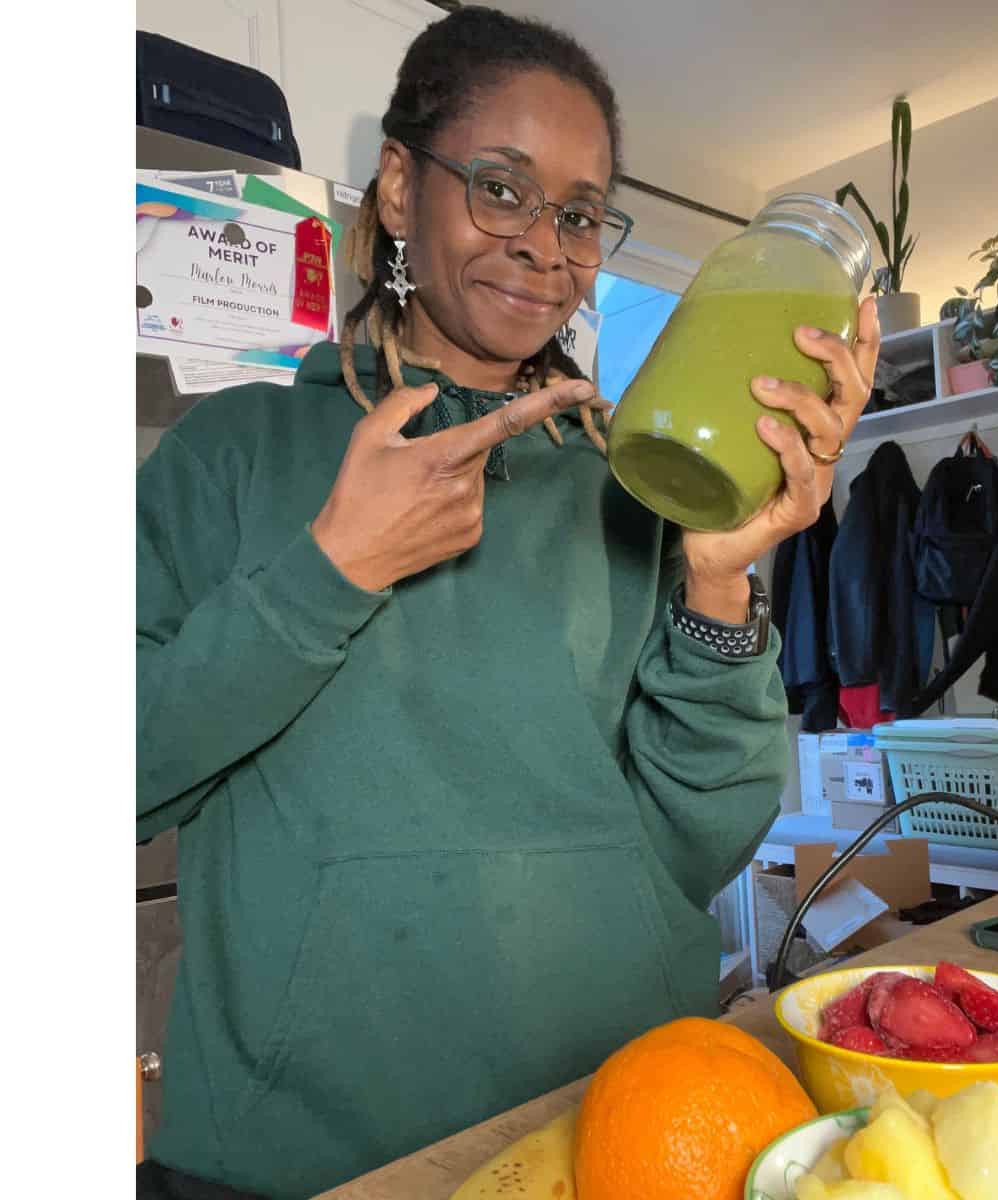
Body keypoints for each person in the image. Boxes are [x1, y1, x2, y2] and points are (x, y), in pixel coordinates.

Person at [136, 7, 880, 1198]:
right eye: (500, 189)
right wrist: (330, 573)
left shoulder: (629, 481)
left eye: (580, 213)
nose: (545, 245)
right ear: (398, 187)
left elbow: (698, 841)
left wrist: (718, 574)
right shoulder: (233, 455)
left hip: (623, 1131)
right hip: (305, 1167)